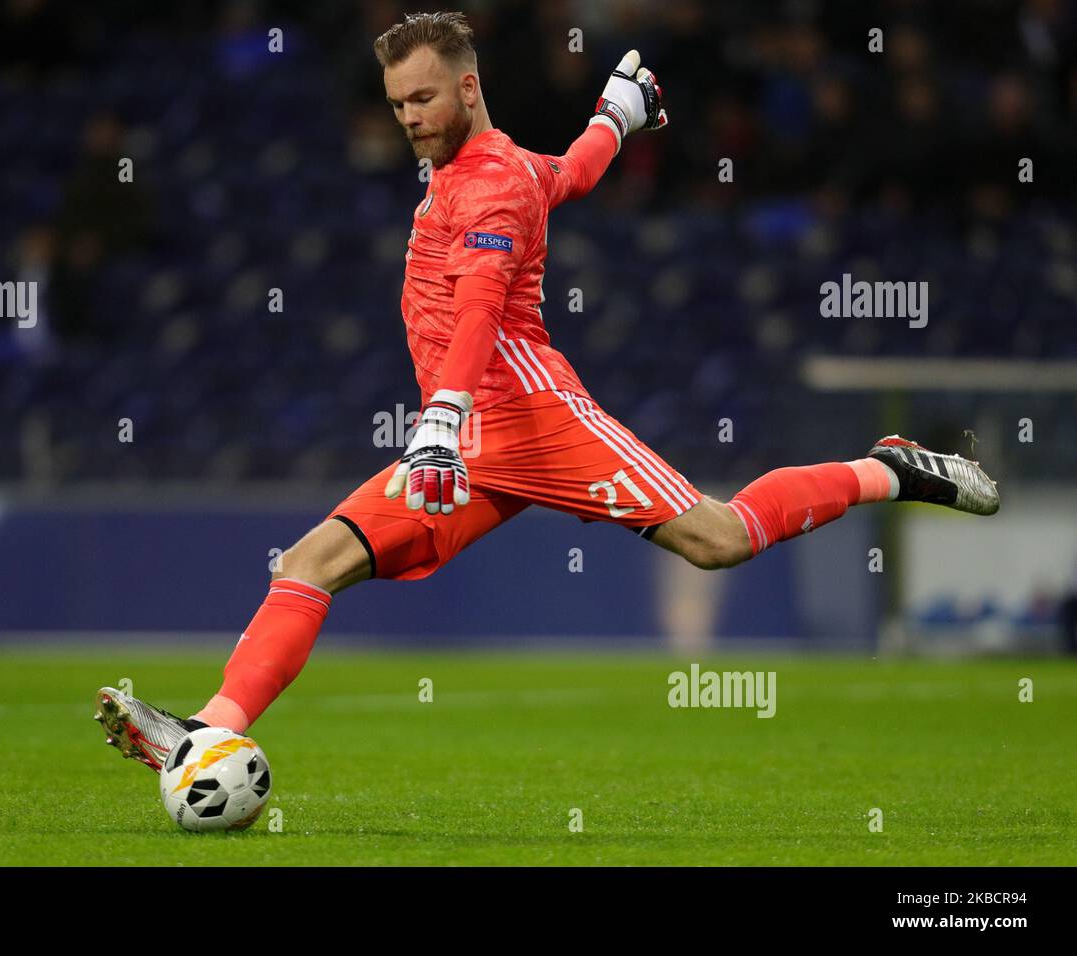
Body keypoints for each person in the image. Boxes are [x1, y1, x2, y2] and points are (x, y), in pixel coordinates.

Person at [93, 12, 999, 770]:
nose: (408, 117)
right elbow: (568, 175)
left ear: (470, 87)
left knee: (719, 540)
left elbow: (484, 306)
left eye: (423, 98)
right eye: (397, 103)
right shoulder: (499, 167)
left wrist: (440, 421)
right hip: (466, 438)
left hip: (526, 413)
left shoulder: (486, 188)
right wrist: (617, 115)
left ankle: (890, 469)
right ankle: (208, 736)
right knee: (308, 564)